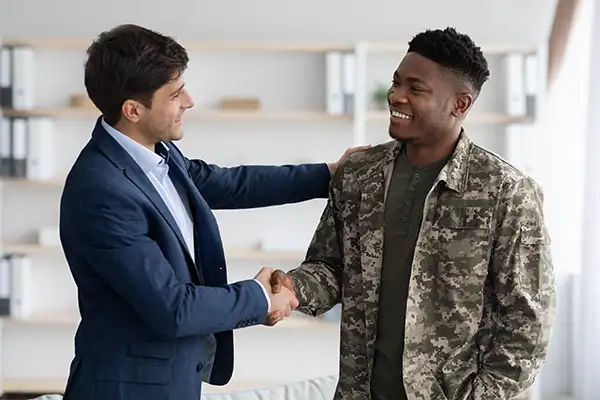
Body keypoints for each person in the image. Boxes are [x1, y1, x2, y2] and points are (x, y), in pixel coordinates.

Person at [59, 24, 366, 400]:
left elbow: (227, 182)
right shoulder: (102, 191)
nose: (189, 100)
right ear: (133, 110)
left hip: (174, 381)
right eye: (174, 93)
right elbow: (172, 307)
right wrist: (260, 298)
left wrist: (329, 176)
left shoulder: (156, 153)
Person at [269, 27, 556, 400]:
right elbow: (330, 268)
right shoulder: (358, 174)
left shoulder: (507, 192)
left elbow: (528, 322)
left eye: (415, 89)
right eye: (396, 82)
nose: (396, 96)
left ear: (460, 105)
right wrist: (292, 287)